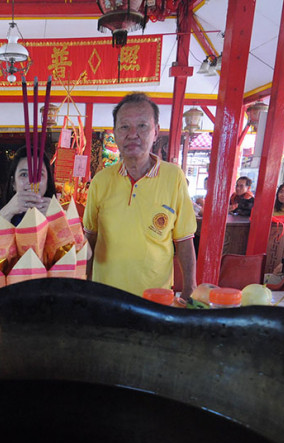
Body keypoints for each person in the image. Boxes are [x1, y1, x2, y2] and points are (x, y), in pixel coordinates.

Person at [82, 92, 197, 299]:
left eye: (142, 126)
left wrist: (190, 286)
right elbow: (90, 237)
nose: (132, 134)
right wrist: (83, 286)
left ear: (156, 132)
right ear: (115, 133)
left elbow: (184, 239)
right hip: (106, 296)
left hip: (155, 298)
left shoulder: (174, 177)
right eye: (124, 126)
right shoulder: (100, 181)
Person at [0, 147, 54, 226]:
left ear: (48, 181)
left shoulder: (60, 216)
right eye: (24, 174)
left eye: (39, 174)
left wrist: (56, 218)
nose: (32, 182)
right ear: (13, 183)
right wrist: (7, 212)